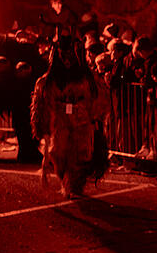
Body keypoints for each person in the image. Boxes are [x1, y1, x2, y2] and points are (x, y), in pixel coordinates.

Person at [30, 35, 110, 198]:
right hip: (59, 121)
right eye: (63, 56)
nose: (67, 60)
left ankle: (74, 186)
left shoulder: (88, 79)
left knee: (80, 154)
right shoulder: (47, 82)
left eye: (70, 56)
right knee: (58, 154)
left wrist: (95, 118)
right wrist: (41, 125)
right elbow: (41, 103)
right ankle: (64, 180)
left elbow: (99, 98)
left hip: (81, 120)